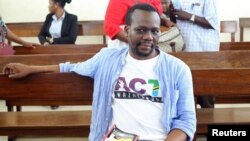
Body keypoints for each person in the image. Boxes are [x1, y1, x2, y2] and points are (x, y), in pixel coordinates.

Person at [3, 4, 196, 141]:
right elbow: (71, 67)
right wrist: (31, 69)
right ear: (127, 30)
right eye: (141, 30)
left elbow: (186, 122)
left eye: (154, 31)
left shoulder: (177, 69)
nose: (148, 37)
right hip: (119, 138)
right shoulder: (108, 59)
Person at [171, 0, 220, 107]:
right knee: (186, 93)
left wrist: (189, 16)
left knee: (205, 94)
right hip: (185, 50)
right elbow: (175, 18)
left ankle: (209, 120)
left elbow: (212, 23)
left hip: (203, 51)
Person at [104, 0, 175, 48]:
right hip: (126, 44)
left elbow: (149, 15)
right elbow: (110, 26)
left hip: (149, 42)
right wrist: (137, 42)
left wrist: (163, 21)